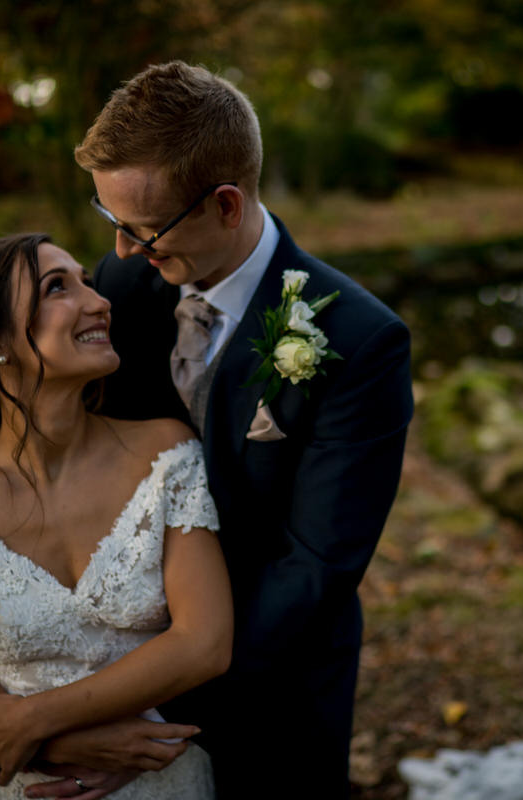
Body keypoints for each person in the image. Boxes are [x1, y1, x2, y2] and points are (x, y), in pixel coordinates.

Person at [74, 61, 414, 796]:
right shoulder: (124, 284)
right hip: (118, 653)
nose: (126, 250)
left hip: (274, 692)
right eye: (113, 224)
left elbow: (315, 567)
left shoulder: (358, 340)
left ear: (226, 204)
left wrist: (155, 705)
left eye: (144, 228)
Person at [0, 232, 233, 799]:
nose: (99, 302)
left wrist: (35, 719)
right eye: (57, 288)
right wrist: (58, 746)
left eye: (87, 282)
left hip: (165, 777)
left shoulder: (166, 453)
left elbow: (204, 643)